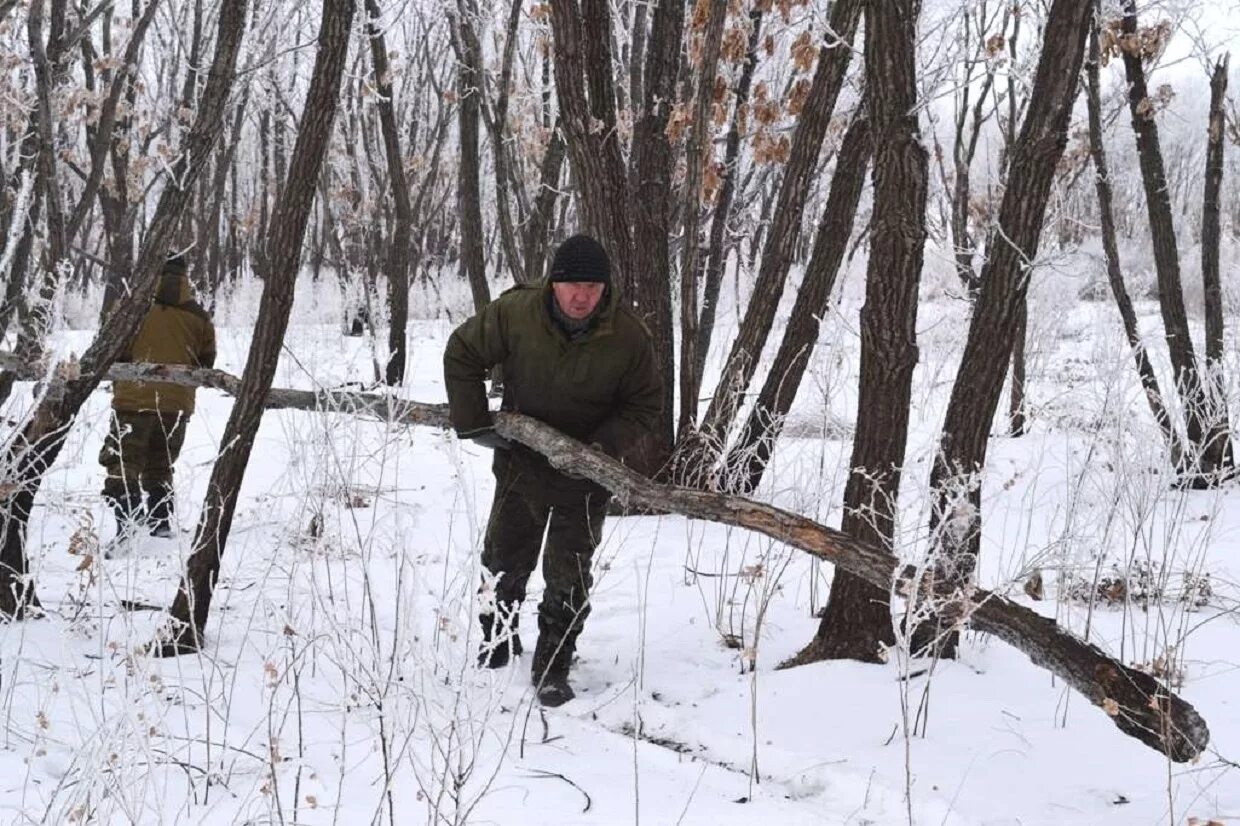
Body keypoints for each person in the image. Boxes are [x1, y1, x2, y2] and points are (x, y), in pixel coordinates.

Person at [443, 234, 661, 707]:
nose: (581, 296)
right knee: (502, 562)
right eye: (571, 285)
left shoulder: (627, 336)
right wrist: (475, 423)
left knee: (569, 574)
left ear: (605, 288)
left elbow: (644, 406)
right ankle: (497, 641)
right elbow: (462, 351)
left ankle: (553, 663)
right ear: (553, 283)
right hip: (521, 463)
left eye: (592, 286)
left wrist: (599, 450)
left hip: (586, 477)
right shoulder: (517, 314)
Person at [100, 254, 216, 544]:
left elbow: (113, 348)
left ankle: (127, 526)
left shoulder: (132, 308)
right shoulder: (199, 316)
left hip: (132, 399)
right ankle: (161, 524)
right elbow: (206, 362)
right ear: (185, 276)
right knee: (161, 463)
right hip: (176, 405)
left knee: (123, 461)